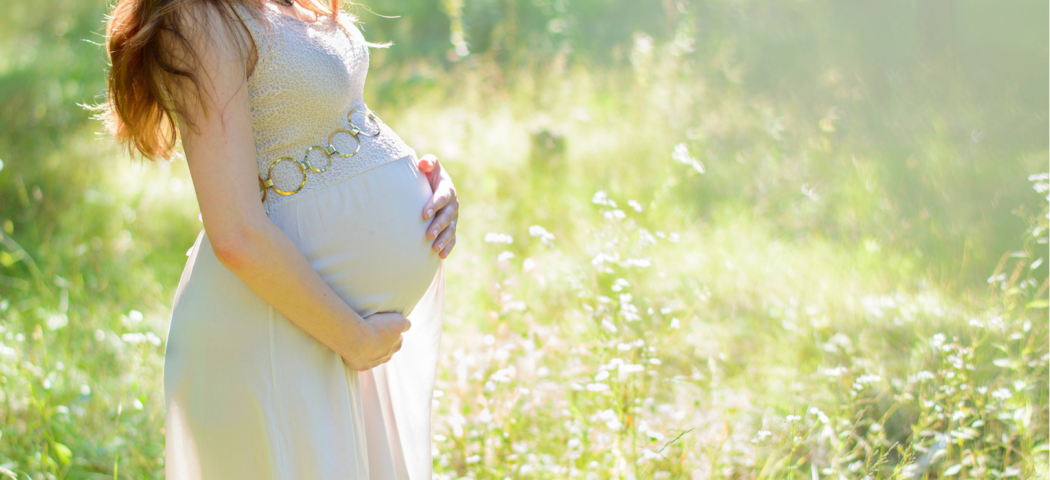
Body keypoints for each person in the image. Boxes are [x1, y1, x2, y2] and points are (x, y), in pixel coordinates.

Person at [100, 0, 459, 477]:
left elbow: (325, 113)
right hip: (277, 328)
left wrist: (427, 181)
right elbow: (235, 232)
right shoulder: (195, 17)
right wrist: (354, 339)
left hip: (338, 330)